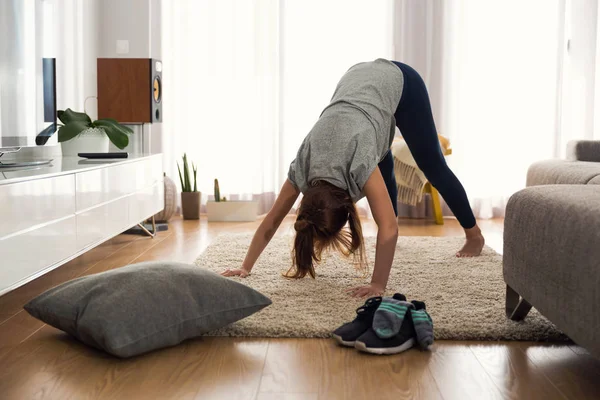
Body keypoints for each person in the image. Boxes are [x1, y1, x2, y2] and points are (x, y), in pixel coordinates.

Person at [221, 59, 485, 298]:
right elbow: (273, 219)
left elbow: (388, 228)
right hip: (356, 82)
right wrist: (246, 266)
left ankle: (474, 236)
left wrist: (378, 285)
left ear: (350, 209)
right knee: (380, 156)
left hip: (400, 81)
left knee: (433, 166)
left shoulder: (358, 164)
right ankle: (397, 240)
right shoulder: (303, 168)